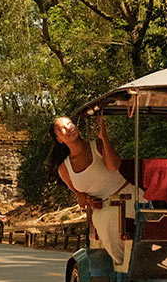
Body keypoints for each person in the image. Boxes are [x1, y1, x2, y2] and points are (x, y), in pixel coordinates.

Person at [48, 114, 139, 268]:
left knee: (147, 213)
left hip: (129, 195)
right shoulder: (64, 169)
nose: (69, 128)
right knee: (109, 219)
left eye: (70, 124)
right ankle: (124, 266)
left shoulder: (97, 145)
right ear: (59, 139)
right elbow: (81, 198)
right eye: (62, 129)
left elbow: (114, 166)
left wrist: (104, 137)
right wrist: (84, 199)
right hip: (104, 207)